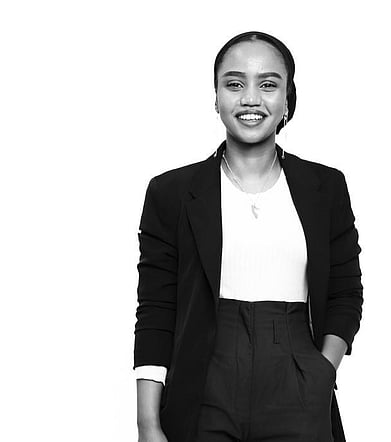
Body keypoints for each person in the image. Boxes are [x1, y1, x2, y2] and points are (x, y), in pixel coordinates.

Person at [134, 31, 364, 442]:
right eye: (235, 84)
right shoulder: (171, 193)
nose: (251, 99)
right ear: (216, 97)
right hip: (203, 387)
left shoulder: (325, 188)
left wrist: (321, 373)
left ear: (287, 100)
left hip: (298, 385)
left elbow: (346, 293)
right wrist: (147, 422)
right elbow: (156, 309)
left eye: (268, 85)